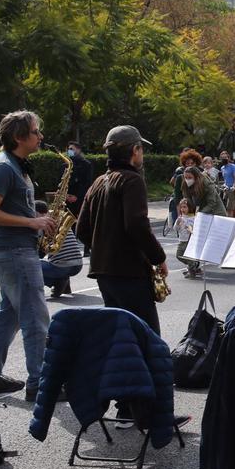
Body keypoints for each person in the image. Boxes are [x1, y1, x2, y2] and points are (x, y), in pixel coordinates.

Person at [0, 111, 56, 401]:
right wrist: (32, 223)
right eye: (35, 132)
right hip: (15, 252)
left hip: (16, 250)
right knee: (35, 319)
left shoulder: (14, 165)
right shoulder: (4, 168)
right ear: (19, 137)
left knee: (8, 317)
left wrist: (37, 218)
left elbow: (8, 208)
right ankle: (39, 384)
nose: (40, 136)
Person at [76, 124, 168, 338]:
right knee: (147, 338)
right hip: (129, 272)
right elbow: (137, 224)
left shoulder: (98, 182)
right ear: (135, 150)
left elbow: (81, 229)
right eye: (141, 149)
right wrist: (158, 258)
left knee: (119, 337)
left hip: (103, 272)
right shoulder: (131, 180)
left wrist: (106, 246)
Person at [34, 200, 83, 296]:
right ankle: (63, 284)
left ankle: (59, 283)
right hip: (78, 264)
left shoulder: (43, 224)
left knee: (30, 265)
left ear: (38, 213)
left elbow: (40, 254)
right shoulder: (60, 220)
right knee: (57, 260)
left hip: (62, 267)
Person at [64, 141, 94, 219]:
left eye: (71, 149)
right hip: (66, 200)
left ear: (79, 150)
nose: (69, 151)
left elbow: (87, 183)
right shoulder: (65, 165)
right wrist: (66, 196)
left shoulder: (87, 164)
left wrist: (77, 197)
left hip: (80, 200)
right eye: (68, 149)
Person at [174, 198, 202, 279]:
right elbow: (175, 229)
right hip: (181, 240)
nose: (182, 209)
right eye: (181, 207)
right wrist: (178, 223)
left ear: (189, 207)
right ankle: (193, 265)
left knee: (187, 256)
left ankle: (192, 270)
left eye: (185, 207)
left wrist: (189, 228)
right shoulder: (180, 217)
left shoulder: (192, 217)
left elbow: (193, 229)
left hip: (188, 241)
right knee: (178, 255)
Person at [218, 151, 235, 217]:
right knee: (233, 207)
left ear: (228, 158)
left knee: (229, 208)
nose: (224, 159)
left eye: (225, 157)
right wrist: (224, 185)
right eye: (222, 158)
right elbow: (226, 179)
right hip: (227, 189)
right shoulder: (222, 168)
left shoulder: (233, 166)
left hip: (234, 190)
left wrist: (234, 186)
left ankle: (229, 224)